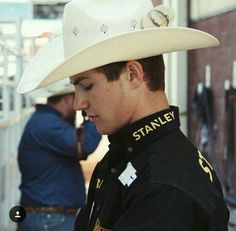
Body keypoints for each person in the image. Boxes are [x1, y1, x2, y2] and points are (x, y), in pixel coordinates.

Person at [17, 0, 229, 230]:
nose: (79, 103)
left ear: (132, 74)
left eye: (87, 86)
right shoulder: (126, 158)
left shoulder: (165, 185)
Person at [17, 79, 101, 231]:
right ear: (68, 98)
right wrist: (93, 116)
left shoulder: (45, 120)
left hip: (49, 217)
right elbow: (84, 144)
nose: (79, 105)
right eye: (77, 98)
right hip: (50, 220)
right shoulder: (46, 123)